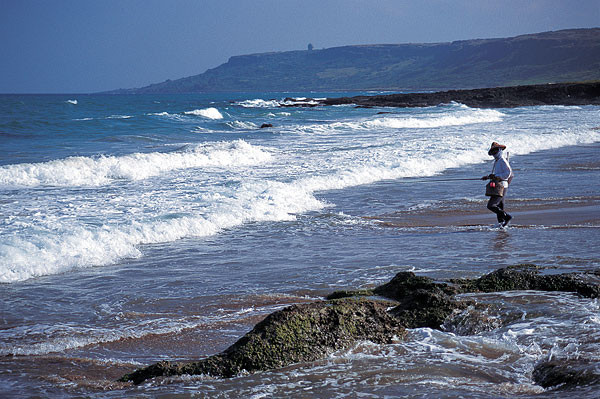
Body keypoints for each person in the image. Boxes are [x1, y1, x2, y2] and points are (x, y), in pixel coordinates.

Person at [481, 142, 513, 227]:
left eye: (496, 151)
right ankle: (501, 224)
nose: (494, 153)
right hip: (501, 185)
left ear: (499, 150)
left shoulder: (502, 160)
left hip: (501, 185)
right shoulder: (497, 161)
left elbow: (508, 173)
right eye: (493, 152)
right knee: (500, 205)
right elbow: (498, 174)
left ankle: (507, 217)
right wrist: (488, 177)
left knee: (491, 205)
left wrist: (495, 176)